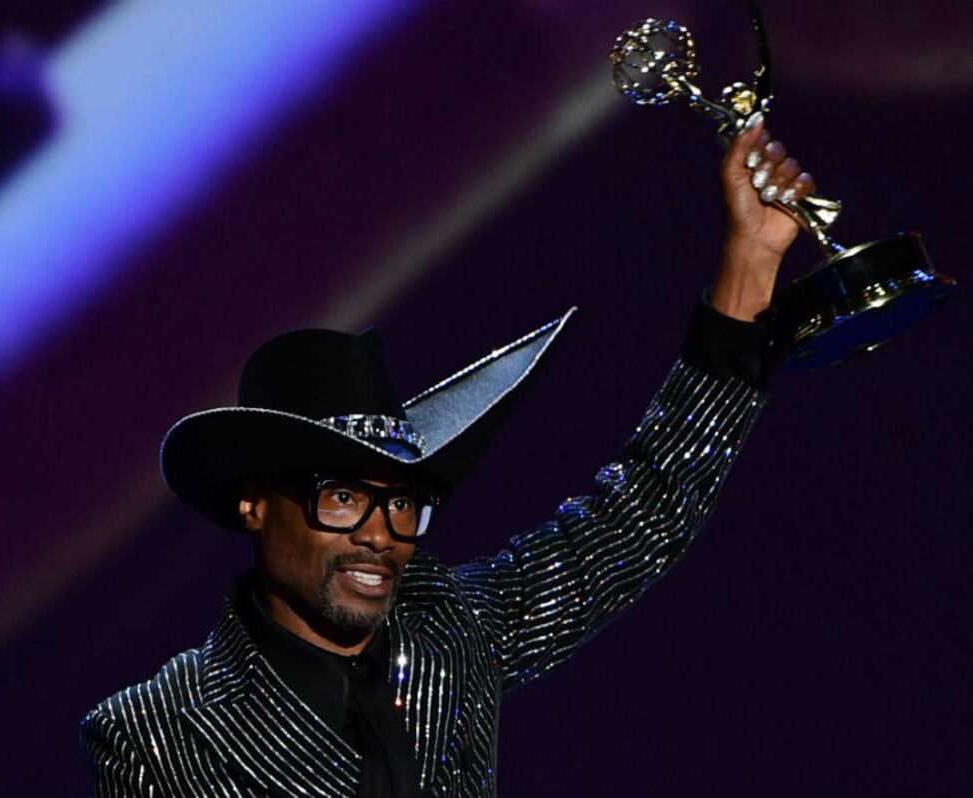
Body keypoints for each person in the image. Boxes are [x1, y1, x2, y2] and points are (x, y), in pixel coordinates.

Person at [81, 116, 814, 797]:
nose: (380, 533)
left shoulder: (445, 626)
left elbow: (636, 518)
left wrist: (749, 262)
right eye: (342, 496)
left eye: (401, 503)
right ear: (255, 501)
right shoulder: (157, 731)